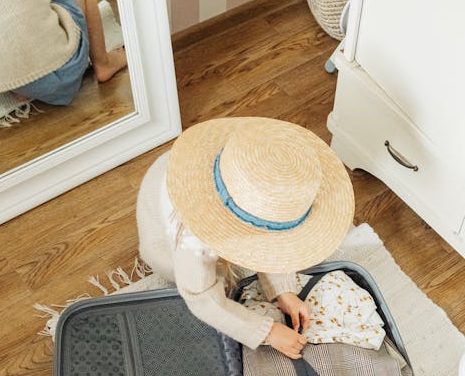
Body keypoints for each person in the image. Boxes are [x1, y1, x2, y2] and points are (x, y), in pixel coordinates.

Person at [136, 116, 355, 360]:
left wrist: (284, 291)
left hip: (183, 179)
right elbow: (202, 298)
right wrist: (268, 332)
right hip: (164, 242)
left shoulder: (246, 171)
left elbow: (271, 236)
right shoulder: (193, 240)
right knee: (201, 278)